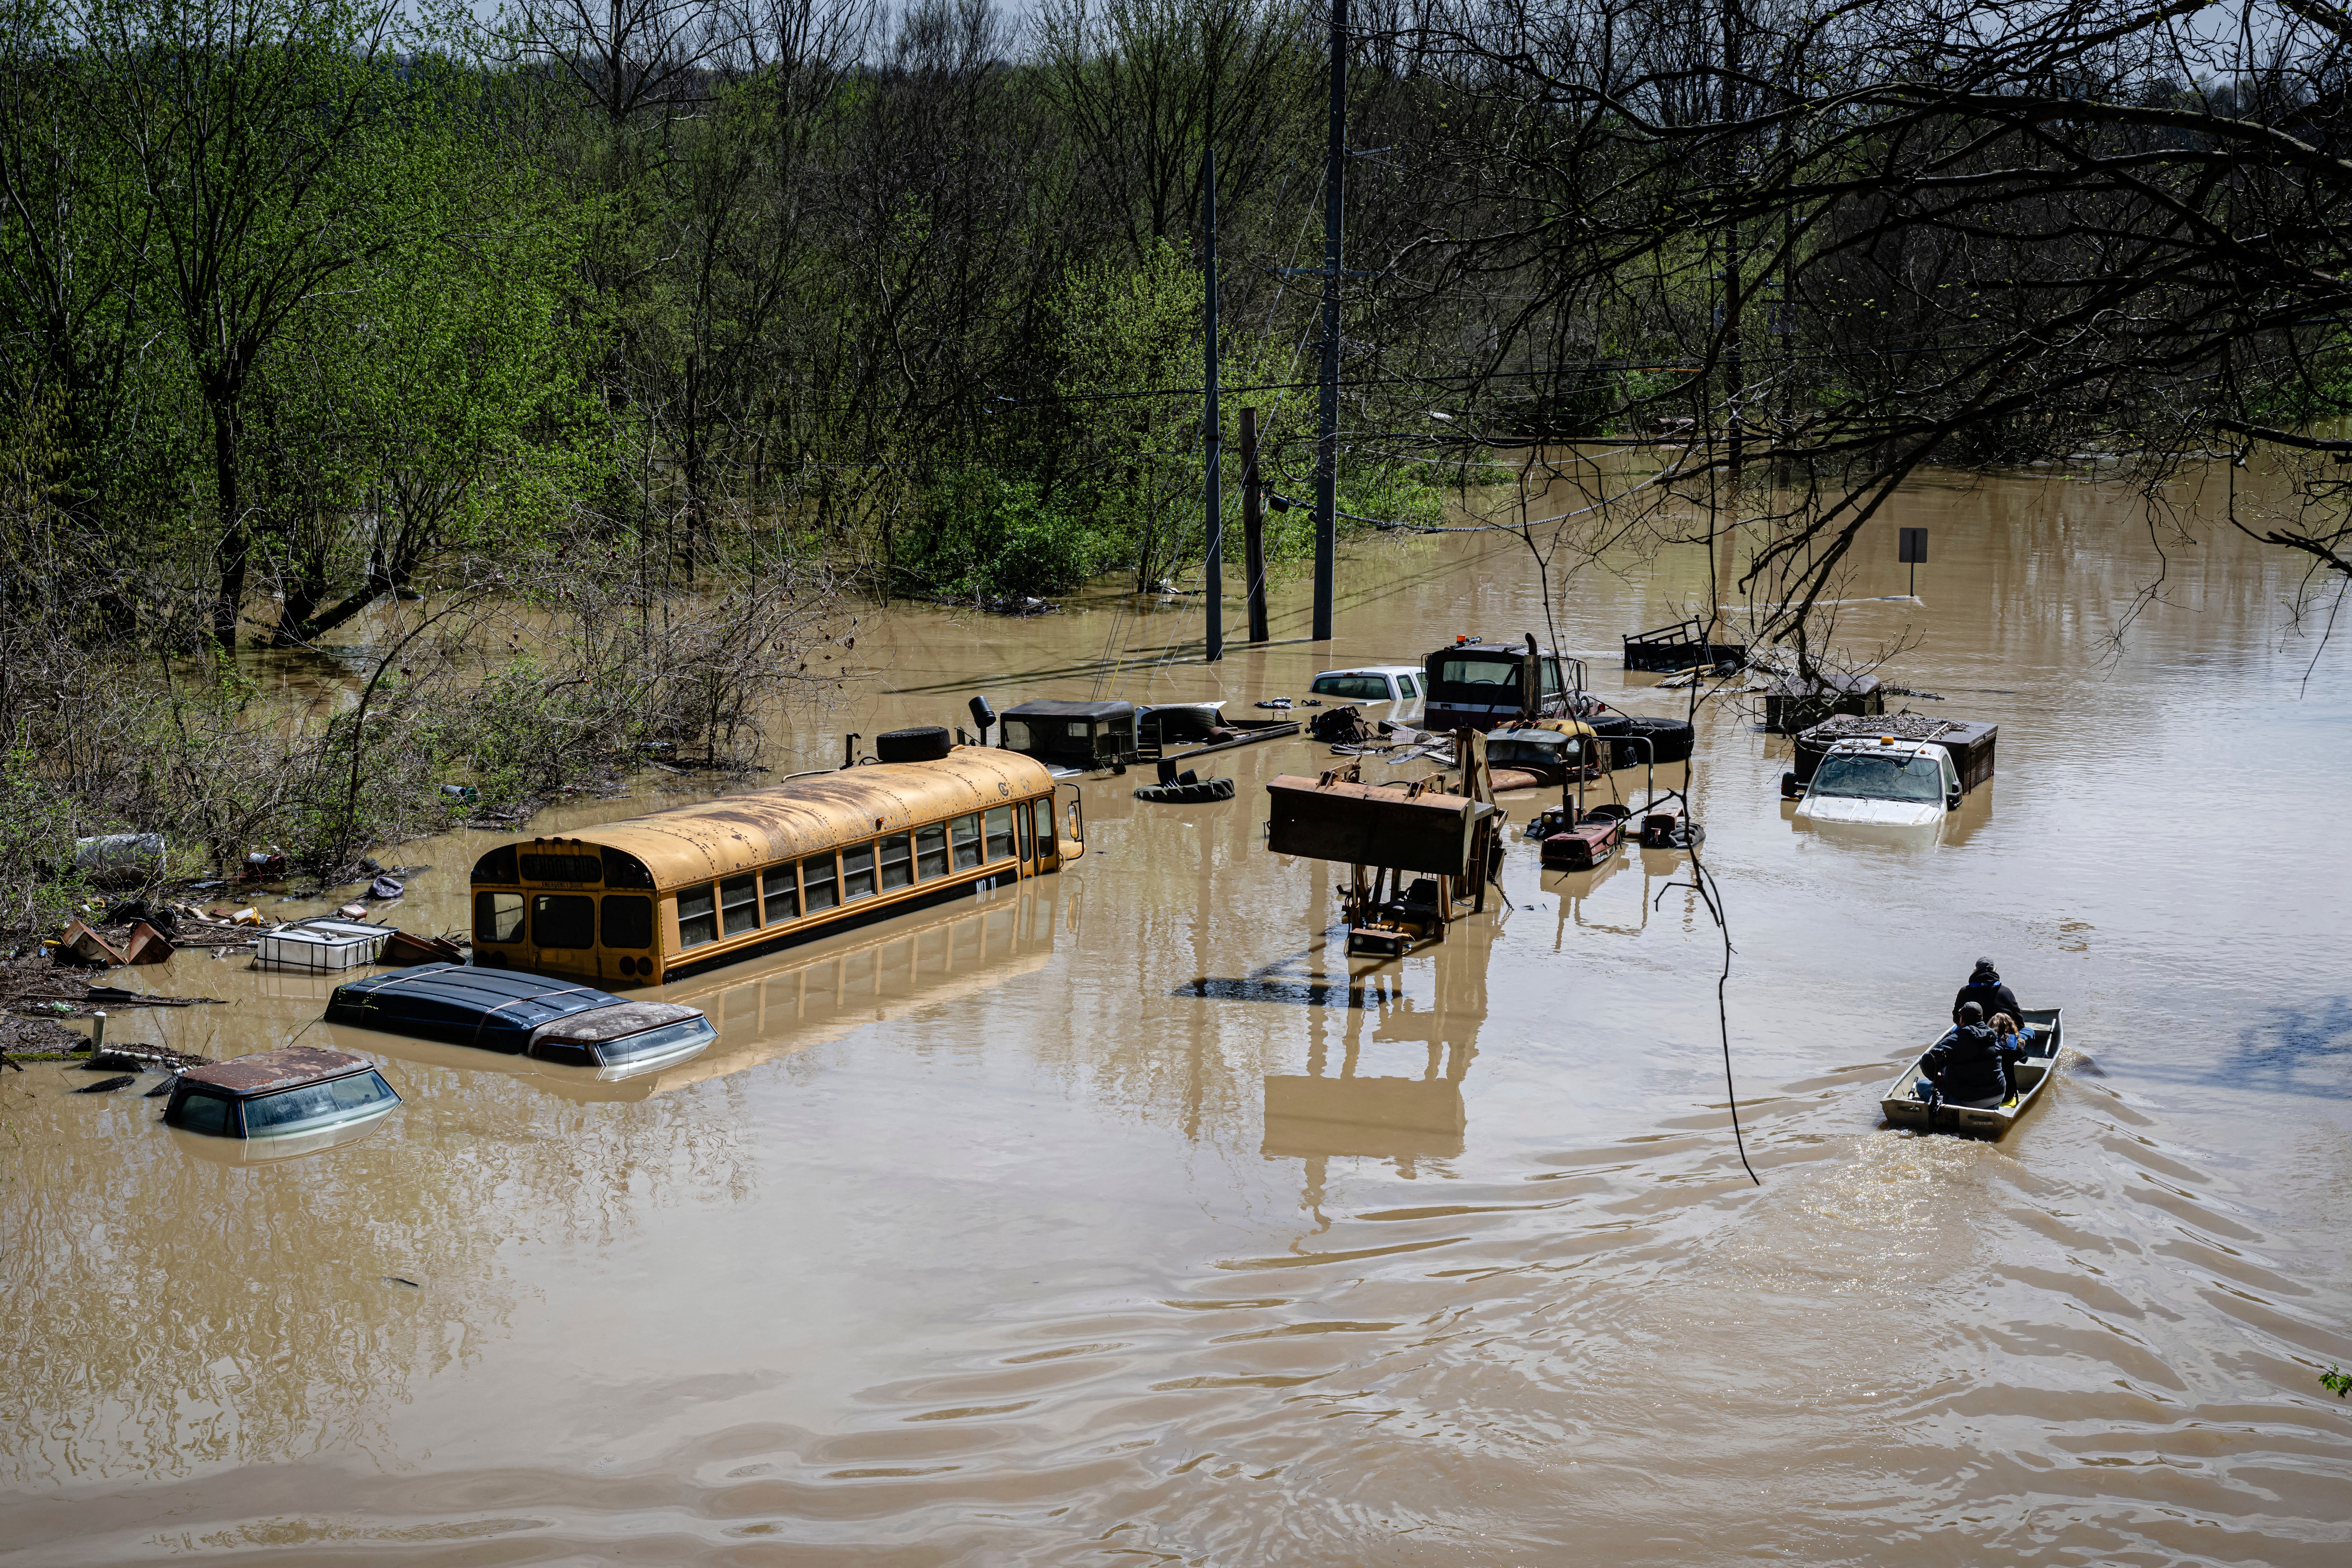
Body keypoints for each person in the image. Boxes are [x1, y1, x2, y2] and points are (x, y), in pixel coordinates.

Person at [1920, 1001, 2022, 1108]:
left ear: (1962, 1019)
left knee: (1921, 1086)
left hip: (1969, 1100)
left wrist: (1934, 1076)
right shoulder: (1993, 1036)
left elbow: (1926, 1062)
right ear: (1982, 1019)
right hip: (1998, 1096)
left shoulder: (1956, 1039)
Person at [1953, 958, 2022, 1029]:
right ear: (1994, 970)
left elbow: (1956, 1018)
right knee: (2029, 1031)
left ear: (1975, 971)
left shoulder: (1964, 991)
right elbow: (2019, 1021)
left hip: (1971, 1032)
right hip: (1998, 1032)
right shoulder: (2006, 992)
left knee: (1955, 1029)